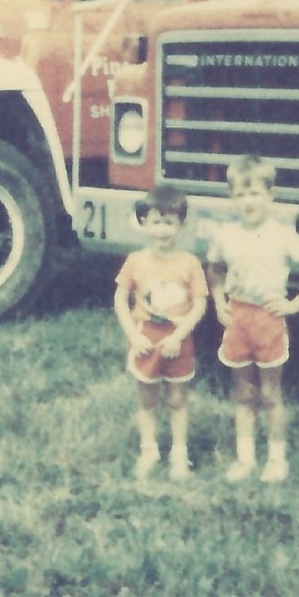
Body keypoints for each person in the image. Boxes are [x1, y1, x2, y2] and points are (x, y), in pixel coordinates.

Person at [201, 154, 299, 483]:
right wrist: (218, 302)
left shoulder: (282, 235)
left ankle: (276, 458)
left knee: (271, 395)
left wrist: (295, 304)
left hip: (269, 320)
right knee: (244, 394)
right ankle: (245, 460)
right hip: (238, 318)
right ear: (232, 198)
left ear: (270, 195)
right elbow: (214, 270)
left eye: (255, 193)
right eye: (241, 195)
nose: (248, 201)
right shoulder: (226, 236)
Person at [112, 185, 209, 480]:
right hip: (146, 338)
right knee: (147, 399)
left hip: (177, 341)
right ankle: (149, 450)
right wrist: (134, 334)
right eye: (156, 222)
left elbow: (200, 303)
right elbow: (120, 299)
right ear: (144, 223)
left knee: (177, 399)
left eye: (169, 222)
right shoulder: (136, 261)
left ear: (181, 224)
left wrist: (179, 336)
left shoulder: (190, 263)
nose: (162, 230)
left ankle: (180, 454)